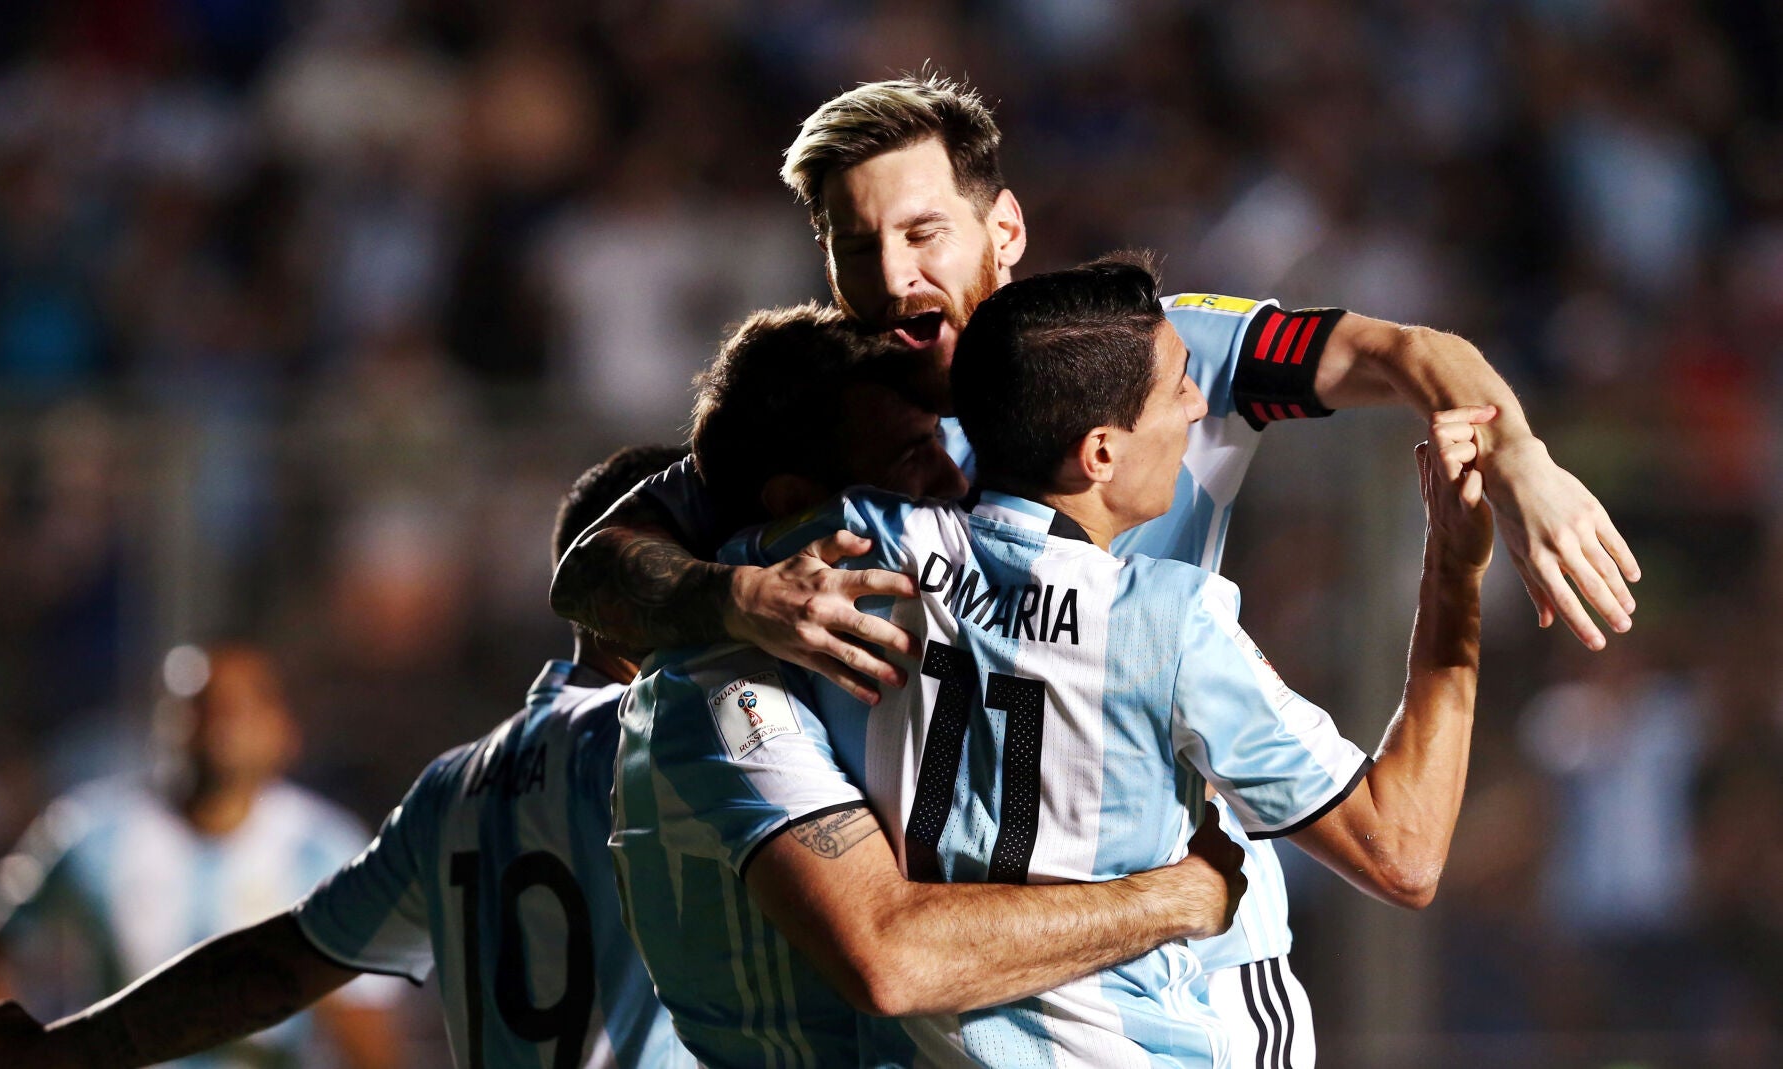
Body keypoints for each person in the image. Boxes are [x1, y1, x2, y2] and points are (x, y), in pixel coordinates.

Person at [551, 71, 1637, 1066]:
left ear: (1004, 227)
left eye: (925, 231)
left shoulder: (1141, 357)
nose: (893, 274)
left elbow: (1406, 353)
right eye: (855, 243)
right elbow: (595, 571)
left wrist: (1525, 461)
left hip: (1162, 982)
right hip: (992, 989)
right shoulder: (834, 453)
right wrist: (736, 600)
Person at [718, 253, 1493, 1064]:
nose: (1197, 406)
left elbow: (675, 543)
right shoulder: (1170, 623)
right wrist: (1453, 574)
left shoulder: (856, 546)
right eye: (1178, 388)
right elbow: (1401, 852)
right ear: (1099, 454)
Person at [0, 447, 695, 1069]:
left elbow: (286, 966)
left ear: (284, 731)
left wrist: (58, 1052)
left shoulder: (444, 790)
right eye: (713, 566)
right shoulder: (684, 746)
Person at [611, 302, 1250, 1066]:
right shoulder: (720, 682)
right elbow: (892, 955)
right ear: (799, 508)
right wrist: (1178, 897)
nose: (954, 479)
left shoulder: (911, 640)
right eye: (911, 456)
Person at [0, 641, 403, 1069]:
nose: (220, 724)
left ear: (283, 729)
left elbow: (366, 1022)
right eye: (201, 705)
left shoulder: (323, 849)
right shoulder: (92, 832)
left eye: (240, 707)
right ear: (163, 720)